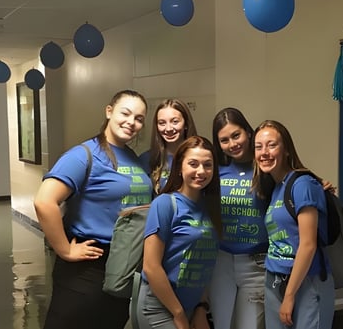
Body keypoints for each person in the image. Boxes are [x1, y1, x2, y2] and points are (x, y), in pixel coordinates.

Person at [33, 89, 153, 329]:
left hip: (122, 265)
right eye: (125, 113)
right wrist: (65, 250)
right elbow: (44, 202)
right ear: (109, 111)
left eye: (139, 118)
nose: (131, 122)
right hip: (86, 267)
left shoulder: (133, 157)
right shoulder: (84, 154)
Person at [251, 120, 335, 329]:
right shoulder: (275, 187)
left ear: (286, 150)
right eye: (259, 146)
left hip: (307, 281)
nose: (264, 152)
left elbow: (308, 245)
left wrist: (289, 296)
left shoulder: (303, 184)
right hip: (275, 278)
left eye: (272, 145)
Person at [137, 135, 222, 329]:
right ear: (180, 166)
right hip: (159, 307)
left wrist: (201, 307)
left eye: (208, 165)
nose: (201, 171)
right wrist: (178, 313)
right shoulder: (165, 204)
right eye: (193, 164)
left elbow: (201, 264)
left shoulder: (210, 209)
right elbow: (151, 267)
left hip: (192, 307)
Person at [209, 108, 268, 329]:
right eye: (224, 140)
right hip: (221, 260)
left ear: (248, 132)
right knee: (222, 324)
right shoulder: (216, 171)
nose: (232, 144)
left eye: (236, 135)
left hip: (256, 263)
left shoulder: (264, 166)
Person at [140, 98, 198, 195]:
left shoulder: (200, 156)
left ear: (186, 124)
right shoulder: (146, 159)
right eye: (162, 123)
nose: (168, 129)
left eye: (175, 121)